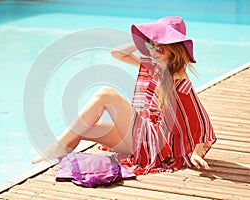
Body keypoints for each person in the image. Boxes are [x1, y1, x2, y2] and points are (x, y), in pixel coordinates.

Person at [32, 16, 216, 175]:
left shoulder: (179, 82)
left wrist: (196, 153)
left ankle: (56, 147)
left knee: (105, 93)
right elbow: (118, 53)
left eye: (160, 48)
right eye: (151, 46)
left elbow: (201, 123)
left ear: (175, 50)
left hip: (155, 146)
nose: (153, 51)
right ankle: (59, 157)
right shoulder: (155, 67)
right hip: (145, 138)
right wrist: (143, 40)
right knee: (89, 128)